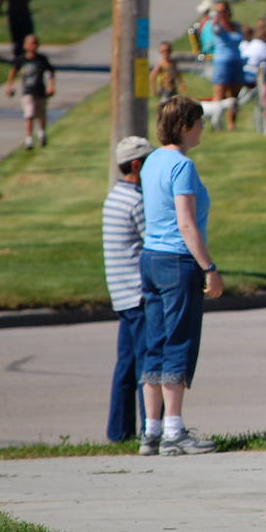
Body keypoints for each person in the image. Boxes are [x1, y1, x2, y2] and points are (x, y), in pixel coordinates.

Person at [138, 97, 223, 457]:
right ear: (186, 126)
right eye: (199, 123)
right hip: (177, 261)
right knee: (178, 343)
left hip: (151, 257)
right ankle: (174, 429)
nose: (202, 128)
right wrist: (209, 268)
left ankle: (151, 430)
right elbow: (186, 223)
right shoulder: (182, 166)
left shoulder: (152, 161)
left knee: (154, 342)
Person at [103, 136, 156, 443]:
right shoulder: (136, 201)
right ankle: (151, 426)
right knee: (144, 365)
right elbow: (153, 241)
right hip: (137, 293)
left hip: (120, 292)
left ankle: (119, 431)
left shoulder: (114, 197)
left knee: (126, 364)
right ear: (136, 166)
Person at [4, 34, 55, 149]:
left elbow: (50, 73)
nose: (33, 46)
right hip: (27, 91)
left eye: (35, 43)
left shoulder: (42, 59)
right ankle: (29, 139)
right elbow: (13, 72)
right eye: (30, 43)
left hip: (41, 91)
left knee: (41, 114)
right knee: (29, 114)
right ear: (25, 45)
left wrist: (51, 86)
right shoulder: (21, 60)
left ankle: (42, 134)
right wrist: (9, 86)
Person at [206, 1, 245, 130]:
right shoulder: (216, 26)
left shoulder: (236, 25)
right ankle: (216, 122)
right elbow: (216, 31)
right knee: (220, 93)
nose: (221, 14)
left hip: (237, 61)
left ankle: (231, 123)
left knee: (235, 95)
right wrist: (216, 19)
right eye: (219, 11)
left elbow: (242, 36)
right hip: (222, 63)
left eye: (223, 11)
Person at [149, 41, 185, 105]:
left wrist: (181, 83)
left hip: (173, 88)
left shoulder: (173, 63)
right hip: (164, 89)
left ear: (170, 51)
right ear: (160, 52)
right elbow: (152, 76)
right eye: (162, 51)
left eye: (167, 51)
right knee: (164, 105)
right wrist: (154, 90)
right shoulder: (160, 64)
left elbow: (177, 73)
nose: (165, 53)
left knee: (175, 104)